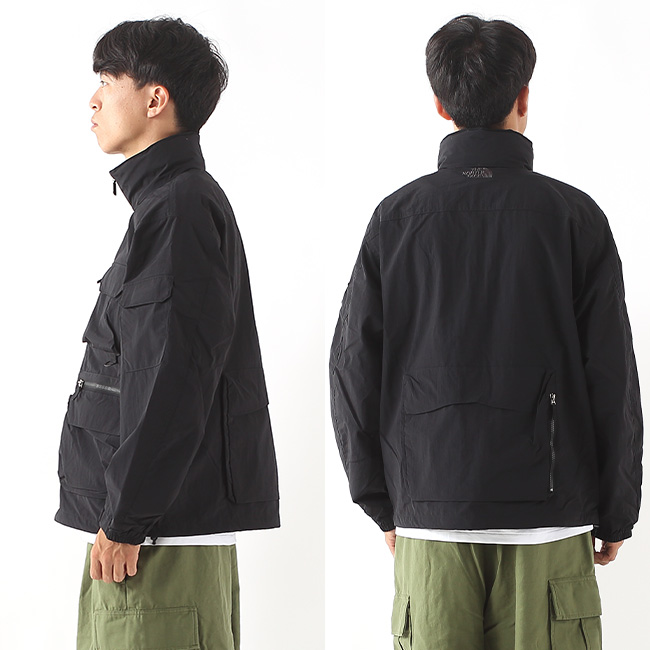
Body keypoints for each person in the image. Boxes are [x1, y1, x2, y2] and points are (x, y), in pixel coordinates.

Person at [329, 14, 642, 650]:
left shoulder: (396, 218)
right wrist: (616, 509)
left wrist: (383, 503)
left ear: (439, 105)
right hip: (550, 524)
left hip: (430, 521)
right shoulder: (574, 217)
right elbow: (611, 374)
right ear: (523, 99)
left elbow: (352, 369)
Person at [55, 17, 280, 650]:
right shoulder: (168, 205)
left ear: (156, 99)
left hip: (155, 542)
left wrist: (126, 518)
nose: (93, 100)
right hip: (147, 533)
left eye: (107, 81)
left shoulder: (178, 208)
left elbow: (172, 378)